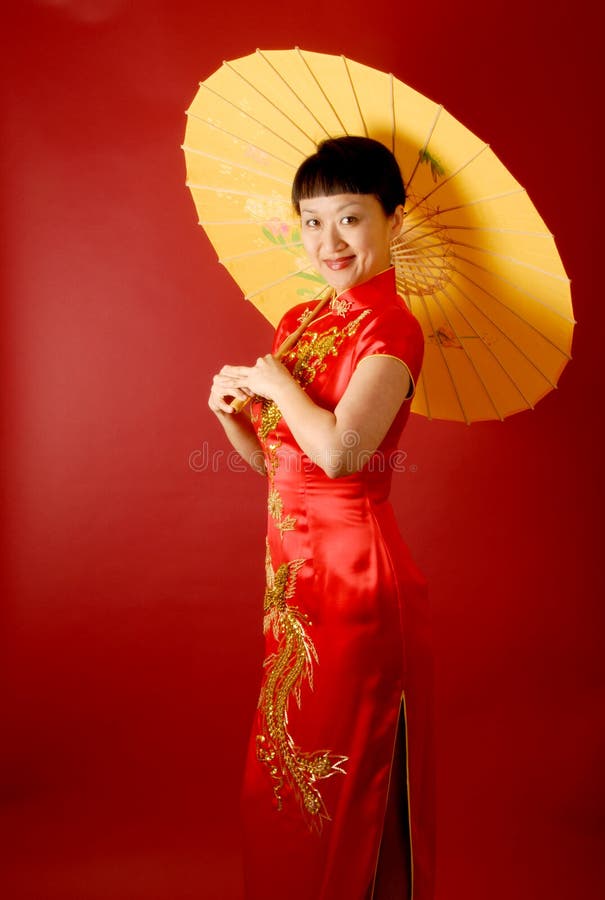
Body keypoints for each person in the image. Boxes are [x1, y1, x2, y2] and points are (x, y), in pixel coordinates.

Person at [208, 137, 435, 900]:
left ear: (392, 221)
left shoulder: (392, 328)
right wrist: (236, 419)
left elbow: (340, 457)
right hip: (292, 590)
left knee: (344, 791)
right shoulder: (300, 320)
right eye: (310, 222)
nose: (327, 242)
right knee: (280, 783)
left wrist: (282, 387)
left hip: (357, 589)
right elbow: (281, 470)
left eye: (349, 218)